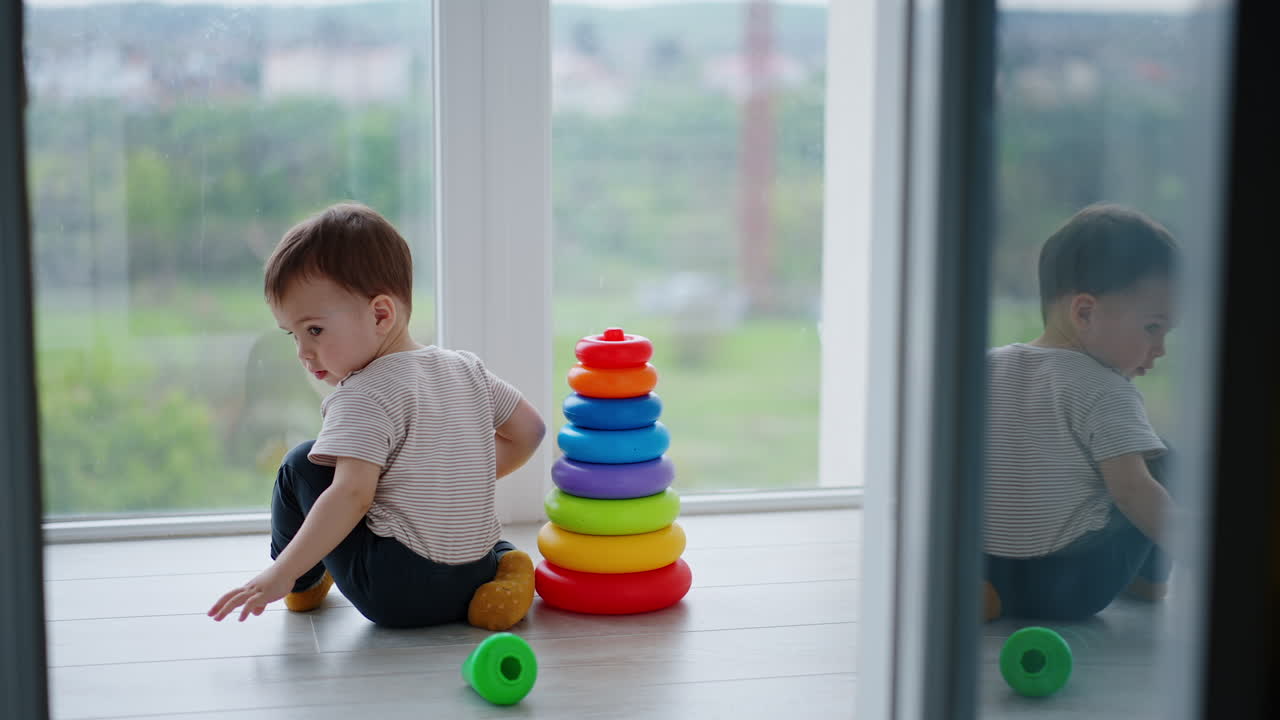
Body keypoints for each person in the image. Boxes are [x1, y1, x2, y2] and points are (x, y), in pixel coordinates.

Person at [208, 203, 546, 630]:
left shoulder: (363, 393)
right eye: (293, 335)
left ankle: (304, 582)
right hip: (471, 576)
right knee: (489, 543)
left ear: (380, 314)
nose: (303, 352)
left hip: (397, 592)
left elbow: (351, 495)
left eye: (314, 330)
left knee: (301, 465)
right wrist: (451, 480)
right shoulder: (465, 368)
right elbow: (530, 431)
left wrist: (281, 572)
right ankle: (506, 573)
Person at [982, 203, 1179, 621]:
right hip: (1070, 584)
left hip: (984, 561)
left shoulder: (987, 366)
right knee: (1163, 463)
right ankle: (1148, 580)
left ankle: (993, 595)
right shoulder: (1106, 389)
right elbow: (1132, 492)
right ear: (1085, 313)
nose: (1160, 349)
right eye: (1152, 327)